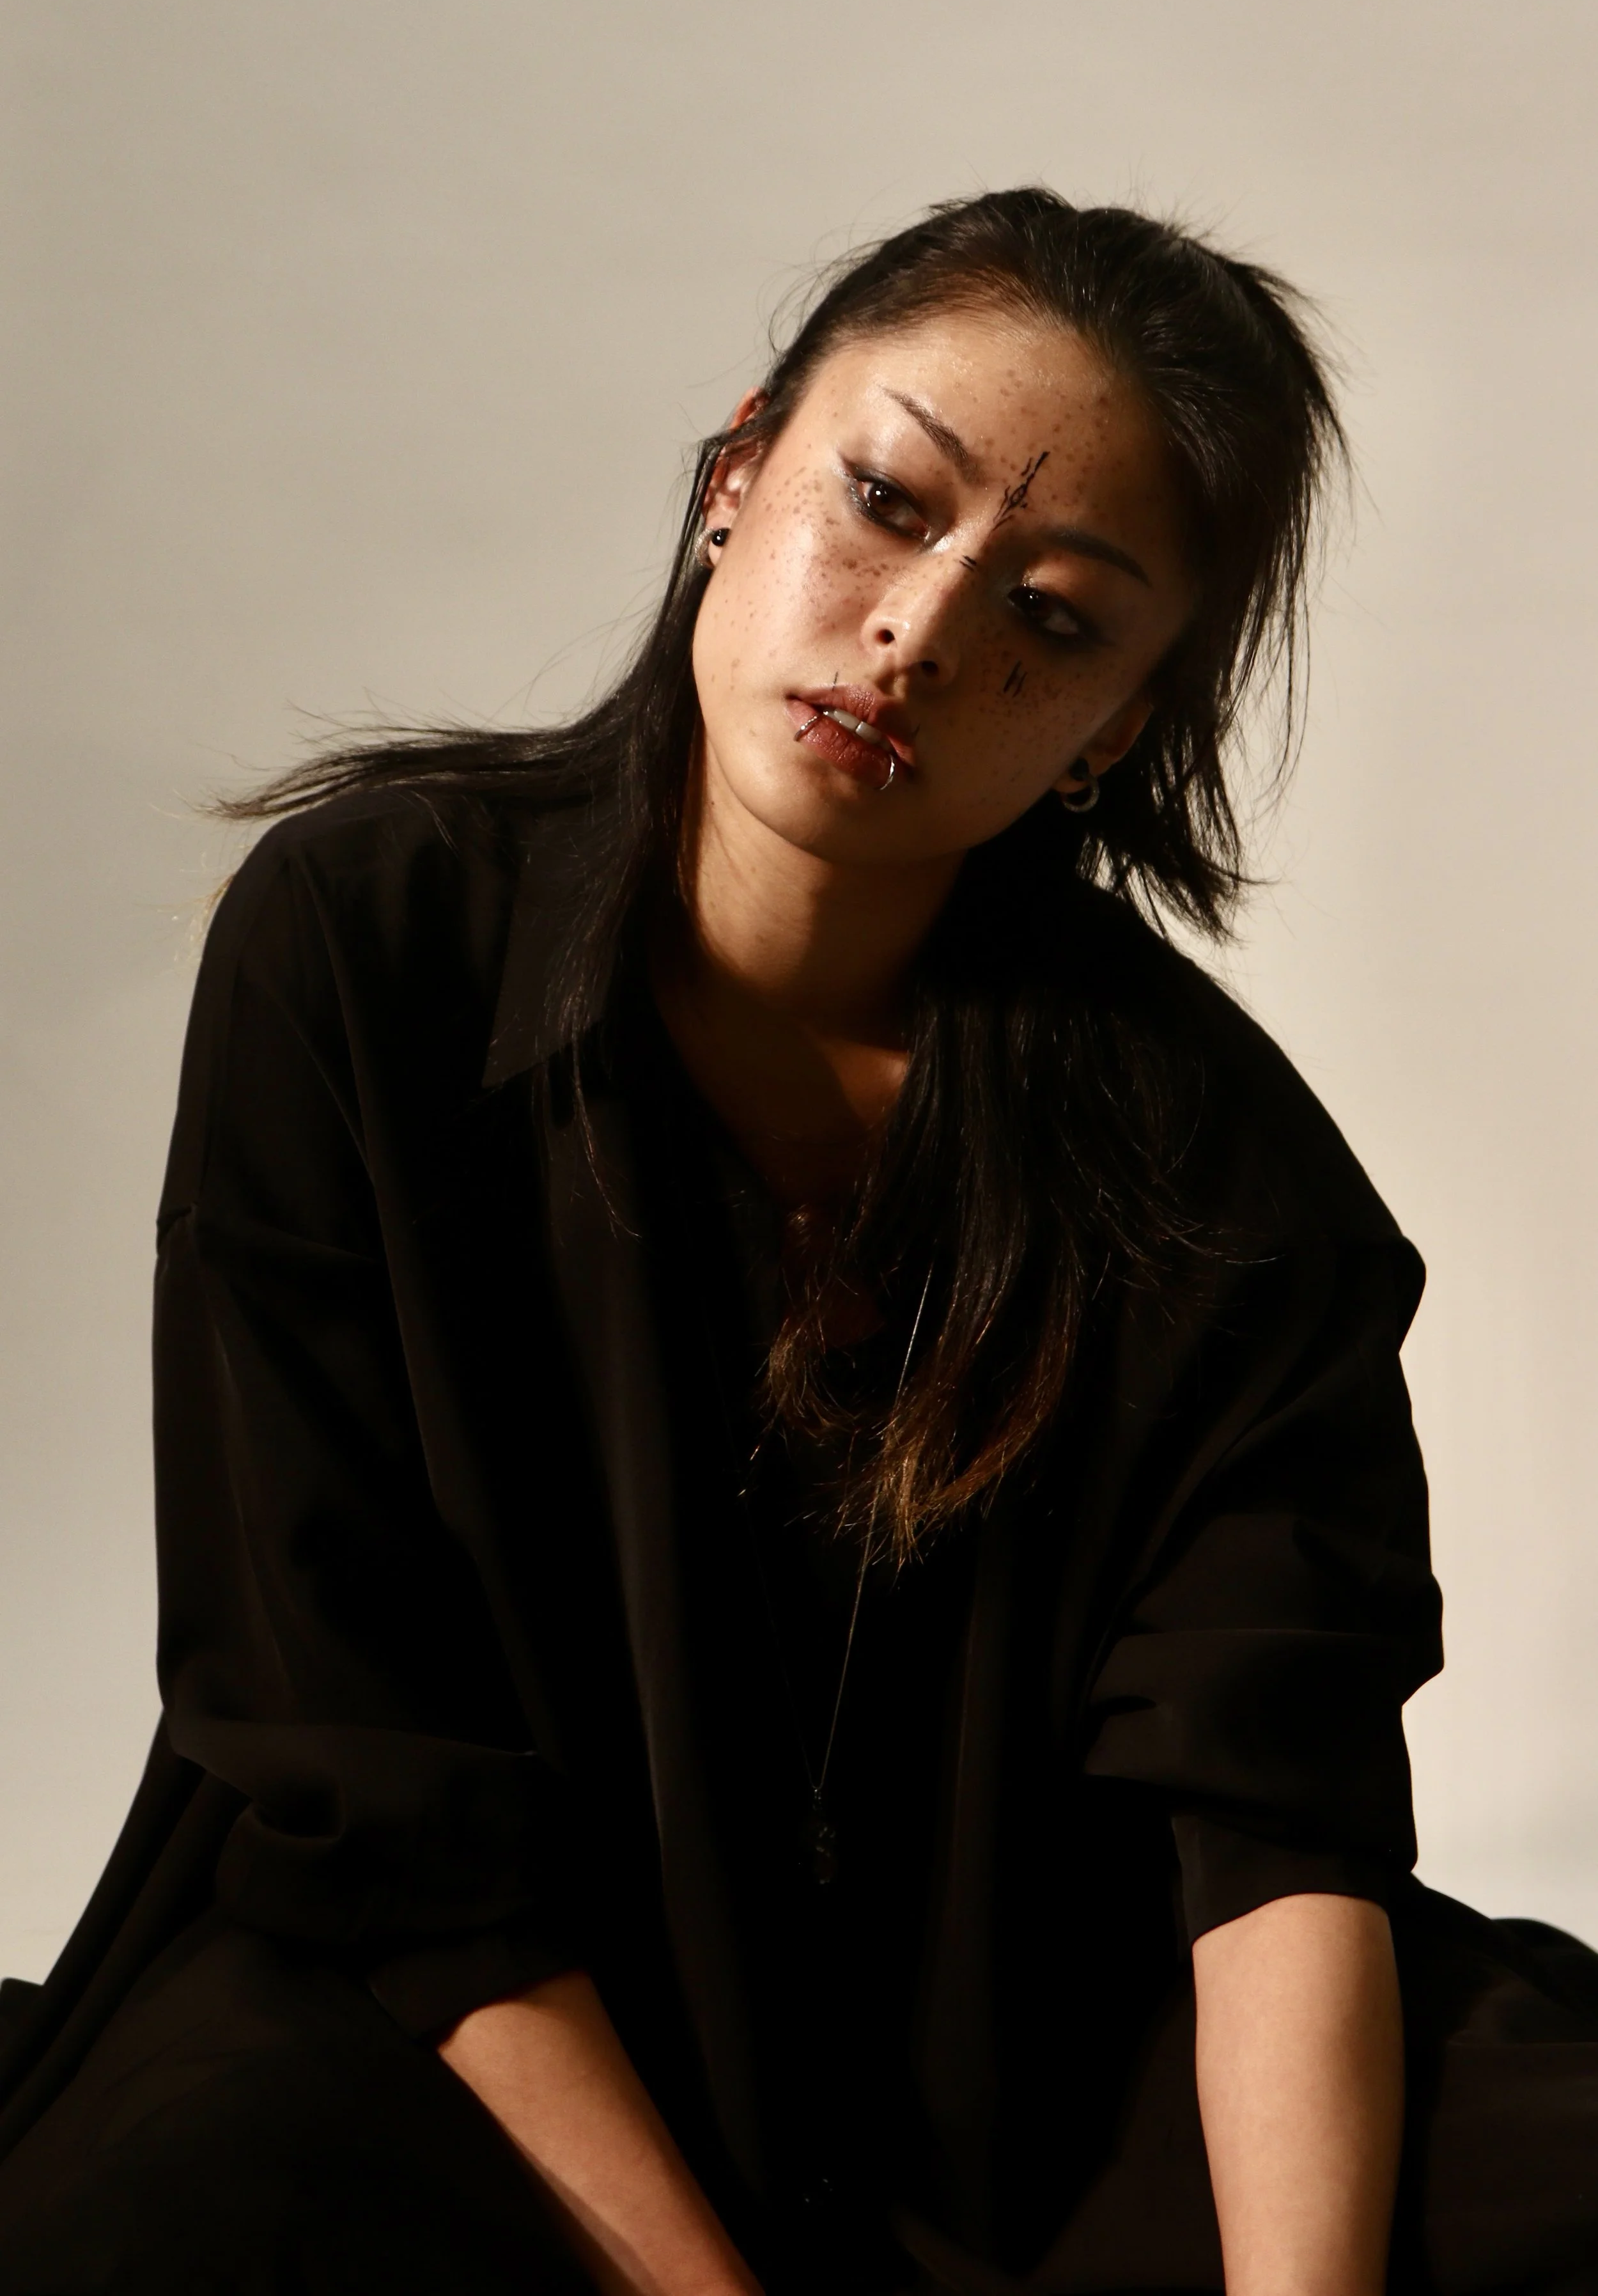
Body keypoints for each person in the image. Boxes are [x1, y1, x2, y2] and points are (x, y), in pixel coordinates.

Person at [0, 189, 1592, 2296]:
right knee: (178, 2212)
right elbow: (352, 1756)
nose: (919, 633)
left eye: (1053, 609)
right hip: (466, 2031)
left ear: (1120, 721)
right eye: (878, 500)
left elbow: (1272, 1828)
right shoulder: (365, 948)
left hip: (1008, 2068)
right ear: (735, 474)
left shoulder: (1217, 1163)